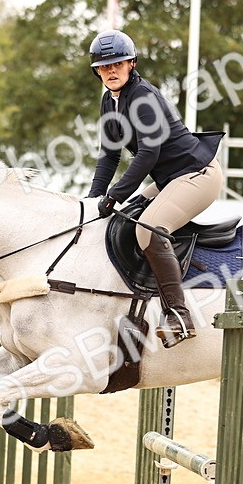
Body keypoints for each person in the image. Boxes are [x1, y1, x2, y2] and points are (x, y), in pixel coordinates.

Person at [85, 29, 224, 348]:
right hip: (170, 180)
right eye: (104, 66)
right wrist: (92, 201)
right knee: (123, 221)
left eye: (117, 64)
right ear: (97, 71)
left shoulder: (142, 96)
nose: (111, 71)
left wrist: (115, 195)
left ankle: (179, 315)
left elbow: (149, 154)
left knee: (148, 229)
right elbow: (109, 155)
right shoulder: (109, 102)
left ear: (131, 63)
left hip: (198, 174)